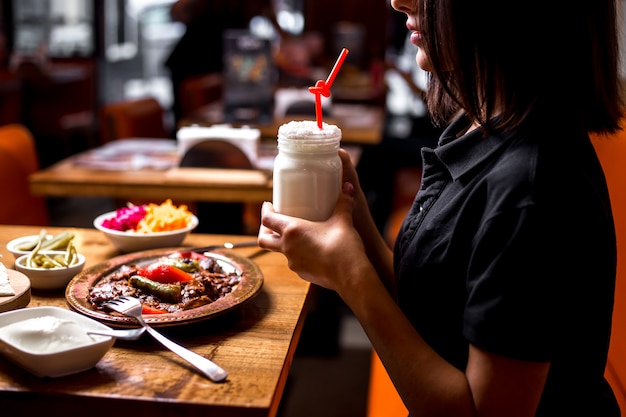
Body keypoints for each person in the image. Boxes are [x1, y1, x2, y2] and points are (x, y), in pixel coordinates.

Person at [258, 0, 624, 415]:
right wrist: (354, 213)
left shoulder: (530, 187)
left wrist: (350, 276)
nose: (397, 0)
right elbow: (433, 308)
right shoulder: (477, 125)